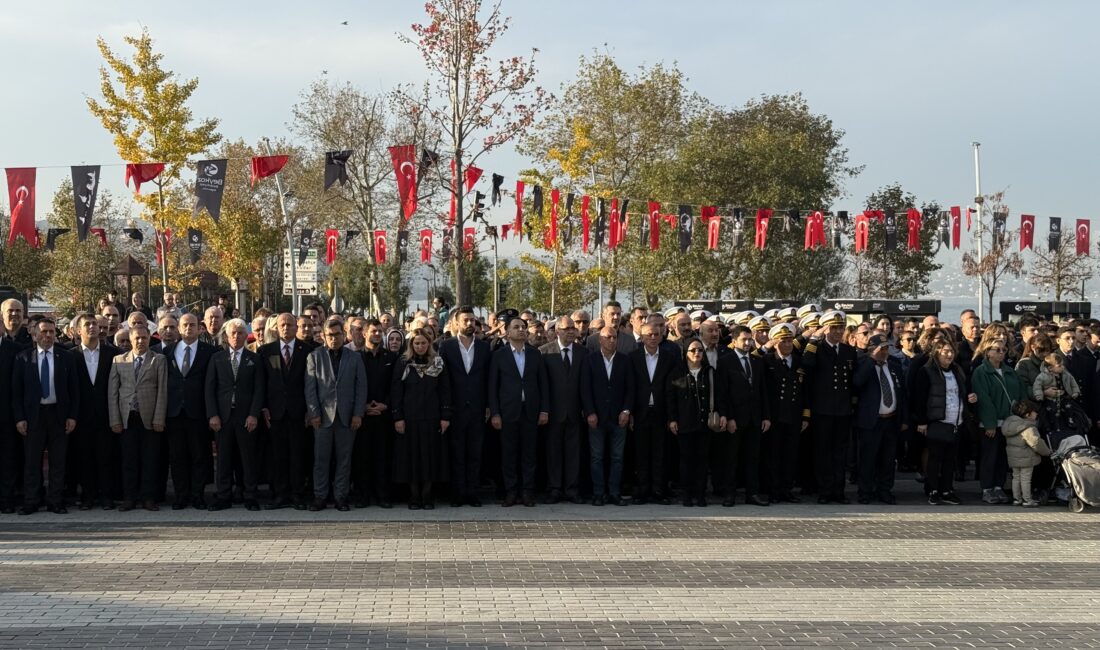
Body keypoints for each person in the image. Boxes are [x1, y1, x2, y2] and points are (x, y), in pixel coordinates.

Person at [12, 318, 79, 514]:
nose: (48, 335)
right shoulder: (23, 358)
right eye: (44, 331)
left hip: (58, 414)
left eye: (51, 331)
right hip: (33, 416)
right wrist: (19, 418)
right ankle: (31, 501)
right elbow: (16, 392)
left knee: (58, 461)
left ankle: (55, 501)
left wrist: (72, 416)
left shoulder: (66, 357)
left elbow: (74, 390)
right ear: (35, 335)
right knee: (32, 461)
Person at [304, 318, 367, 511]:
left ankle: (341, 497)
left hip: (347, 417)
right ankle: (320, 497)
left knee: (344, 460)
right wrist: (314, 413)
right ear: (324, 336)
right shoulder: (314, 356)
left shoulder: (355, 357)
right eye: (330, 335)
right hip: (322, 417)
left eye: (337, 334)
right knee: (321, 459)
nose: (334, 338)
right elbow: (310, 388)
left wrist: (358, 414)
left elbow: (361, 387)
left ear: (344, 334)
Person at [205, 319, 265, 511]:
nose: (237, 336)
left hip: (245, 417)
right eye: (233, 333)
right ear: (226, 336)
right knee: (223, 459)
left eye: (240, 333)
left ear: (246, 335)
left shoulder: (254, 359)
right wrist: (212, 415)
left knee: (248, 459)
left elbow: (259, 389)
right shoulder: (217, 358)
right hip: (223, 417)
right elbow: (209, 389)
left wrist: (254, 414)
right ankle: (223, 495)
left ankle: (250, 495)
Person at [489, 317, 549, 507]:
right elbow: (493, 387)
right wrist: (495, 413)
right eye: (516, 327)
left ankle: (527, 492)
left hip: (530, 411)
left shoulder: (535, 354)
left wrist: (544, 410)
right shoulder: (499, 355)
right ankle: (511, 491)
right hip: (508, 412)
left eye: (523, 327)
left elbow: (543, 384)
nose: (521, 330)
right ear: (507, 332)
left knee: (529, 454)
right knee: (509, 454)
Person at [107, 325, 168, 511]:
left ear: (149, 339)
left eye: (144, 338)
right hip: (127, 418)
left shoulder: (158, 360)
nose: (140, 341)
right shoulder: (119, 360)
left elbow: (162, 390)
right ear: (131, 340)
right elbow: (112, 392)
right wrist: (115, 420)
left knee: (150, 459)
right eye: (137, 338)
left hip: (149, 417)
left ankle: (148, 498)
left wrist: (159, 418)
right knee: (129, 460)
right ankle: (129, 498)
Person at [391, 329, 450, 510]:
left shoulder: (437, 362)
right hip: (410, 418)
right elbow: (396, 391)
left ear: (429, 344)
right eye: (416, 343)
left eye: (423, 343)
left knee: (429, 458)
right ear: (411, 344)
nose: (420, 346)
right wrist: (398, 417)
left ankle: (427, 496)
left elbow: (445, 390)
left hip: (432, 418)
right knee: (412, 458)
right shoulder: (404, 362)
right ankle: (414, 496)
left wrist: (445, 416)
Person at [801, 311, 856, 504]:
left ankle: (838, 491)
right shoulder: (817, 348)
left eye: (841, 328)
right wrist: (813, 340)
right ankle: (824, 490)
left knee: (840, 453)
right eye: (834, 328)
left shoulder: (848, 350)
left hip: (842, 410)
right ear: (826, 329)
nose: (838, 331)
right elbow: (806, 364)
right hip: (822, 410)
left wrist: (852, 405)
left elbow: (852, 380)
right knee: (823, 452)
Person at [163, 313, 216, 510]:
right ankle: (181, 496)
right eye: (184, 325)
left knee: (199, 455)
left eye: (192, 325)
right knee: (178, 457)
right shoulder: (167, 352)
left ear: (200, 328)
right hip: (174, 412)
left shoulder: (209, 352)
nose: (188, 328)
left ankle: (197, 495)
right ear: (178, 328)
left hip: (199, 412)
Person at [910, 338, 973, 505]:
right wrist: (922, 421)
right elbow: (920, 398)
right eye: (945, 351)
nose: (949, 355)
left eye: (952, 351)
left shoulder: (957, 370)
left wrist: (970, 398)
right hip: (937, 420)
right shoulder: (927, 371)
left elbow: (962, 391)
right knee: (935, 458)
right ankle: (933, 490)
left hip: (956, 421)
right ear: (936, 353)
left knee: (950, 459)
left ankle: (947, 490)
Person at [258, 313, 311, 510]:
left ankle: (297, 494)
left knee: (297, 454)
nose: (286, 328)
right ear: (276, 328)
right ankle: (279, 494)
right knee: (277, 455)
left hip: (299, 412)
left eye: (290, 324)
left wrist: (309, 409)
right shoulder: (266, 351)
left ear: (296, 327)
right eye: (282, 325)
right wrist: (264, 407)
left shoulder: (307, 350)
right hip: (275, 412)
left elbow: (310, 382)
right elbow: (262, 382)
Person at [438, 307, 490, 507]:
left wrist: (488, 406)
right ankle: (458, 493)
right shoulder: (446, 346)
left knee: (475, 453)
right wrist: (445, 408)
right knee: (457, 453)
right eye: (466, 320)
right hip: (455, 408)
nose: (470, 324)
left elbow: (488, 378)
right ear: (456, 323)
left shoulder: (484, 347)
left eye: (472, 320)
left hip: (478, 409)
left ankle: (473, 493)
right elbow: (443, 380)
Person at [715, 325, 770, 506]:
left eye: (749, 339)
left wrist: (765, 416)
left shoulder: (757, 361)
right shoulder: (725, 361)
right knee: (731, 458)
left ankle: (752, 493)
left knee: (753, 458)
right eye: (743, 340)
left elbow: (762, 391)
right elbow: (722, 392)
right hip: (735, 418)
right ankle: (729, 494)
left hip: (754, 418)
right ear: (734, 341)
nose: (747, 343)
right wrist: (728, 417)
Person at [580, 325, 634, 506]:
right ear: (600, 340)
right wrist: (590, 412)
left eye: (614, 337)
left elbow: (631, 389)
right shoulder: (590, 360)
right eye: (608, 337)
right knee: (597, 457)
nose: (612, 340)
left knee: (617, 457)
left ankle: (614, 493)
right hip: (597, 417)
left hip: (619, 417)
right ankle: (598, 493)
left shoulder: (625, 360)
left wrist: (626, 410)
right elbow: (585, 389)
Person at [69, 313, 119, 510]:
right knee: (84, 457)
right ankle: (88, 496)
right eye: (87, 324)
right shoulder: (70, 355)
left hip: (106, 415)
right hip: (81, 416)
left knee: (106, 457)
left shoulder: (112, 354)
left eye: (94, 324)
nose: (92, 327)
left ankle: (106, 496)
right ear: (78, 331)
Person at [852, 334, 908, 505]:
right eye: (881, 349)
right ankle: (865, 491)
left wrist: (904, 419)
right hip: (871, 421)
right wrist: (872, 360)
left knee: (888, 459)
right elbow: (857, 383)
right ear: (871, 349)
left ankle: (884, 490)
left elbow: (902, 393)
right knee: (868, 459)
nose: (884, 352)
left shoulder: (894, 365)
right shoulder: (863, 363)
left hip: (891, 420)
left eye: (886, 348)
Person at [628, 321, 680, 505]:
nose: (652, 337)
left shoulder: (668, 357)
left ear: (661, 336)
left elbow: (672, 389)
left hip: (661, 412)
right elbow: (630, 387)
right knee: (641, 454)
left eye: (656, 334)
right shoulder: (633, 357)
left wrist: (672, 416)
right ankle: (642, 490)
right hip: (640, 412)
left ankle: (658, 490)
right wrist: (630, 412)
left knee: (660, 454)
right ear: (641, 337)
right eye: (648, 334)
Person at [971, 339, 1027, 505]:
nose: (1001, 353)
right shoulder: (981, 372)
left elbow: (1021, 392)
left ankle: (998, 486)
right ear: (988, 352)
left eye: (1004, 350)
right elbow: (984, 399)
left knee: (1003, 457)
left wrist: (1023, 413)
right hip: (991, 423)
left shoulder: (1010, 371)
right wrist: (990, 423)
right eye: (997, 350)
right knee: (990, 456)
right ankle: (987, 488)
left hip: (1010, 422)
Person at [540, 314, 588, 504]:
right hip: (553, 412)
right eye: (566, 328)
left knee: (573, 453)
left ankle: (572, 489)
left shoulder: (583, 352)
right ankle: (554, 489)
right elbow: (542, 385)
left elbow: (586, 384)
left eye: (572, 328)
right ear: (557, 331)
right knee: (553, 452)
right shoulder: (544, 352)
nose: (570, 331)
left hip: (575, 412)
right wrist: (544, 409)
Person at [667, 339, 718, 507]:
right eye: (693, 350)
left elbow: (719, 395)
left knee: (702, 460)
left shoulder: (709, 372)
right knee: (686, 460)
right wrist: (672, 419)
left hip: (704, 423)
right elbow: (671, 398)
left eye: (700, 350)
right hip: (685, 423)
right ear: (685, 353)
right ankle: (687, 494)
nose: (697, 353)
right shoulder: (677, 372)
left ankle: (700, 494)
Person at [759, 323, 806, 503]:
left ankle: (786, 489)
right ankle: (774, 490)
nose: (787, 344)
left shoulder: (799, 361)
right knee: (773, 455)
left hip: (793, 414)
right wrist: (766, 347)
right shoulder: (767, 360)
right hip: (775, 415)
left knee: (790, 455)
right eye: (783, 341)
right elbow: (752, 358)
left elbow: (805, 390)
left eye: (789, 341)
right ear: (775, 342)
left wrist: (805, 415)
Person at [354, 318, 397, 508]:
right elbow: (351, 385)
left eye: (380, 331)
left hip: (383, 415)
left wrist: (385, 405)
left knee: (383, 456)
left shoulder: (391, 357)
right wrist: (362, 406)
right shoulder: (355, 357)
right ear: (364, 333)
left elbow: (395, 385)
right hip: (361, 415)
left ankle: (383, 495)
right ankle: (363, 496)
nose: (378, 334)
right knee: (362, 457)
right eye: (373, 331)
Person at [1001, 399, 1052, 507]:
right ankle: (1027, 499)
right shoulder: (1028, 427)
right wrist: (1047, 452)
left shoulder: (1010, 425)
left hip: (1013, 457)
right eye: (1034, 412)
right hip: (1027, 458)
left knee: (1016, 477)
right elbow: (1036, 443)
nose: (1036, 414)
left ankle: (1017, 499)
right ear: (1028, 414)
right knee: (1025, 478)